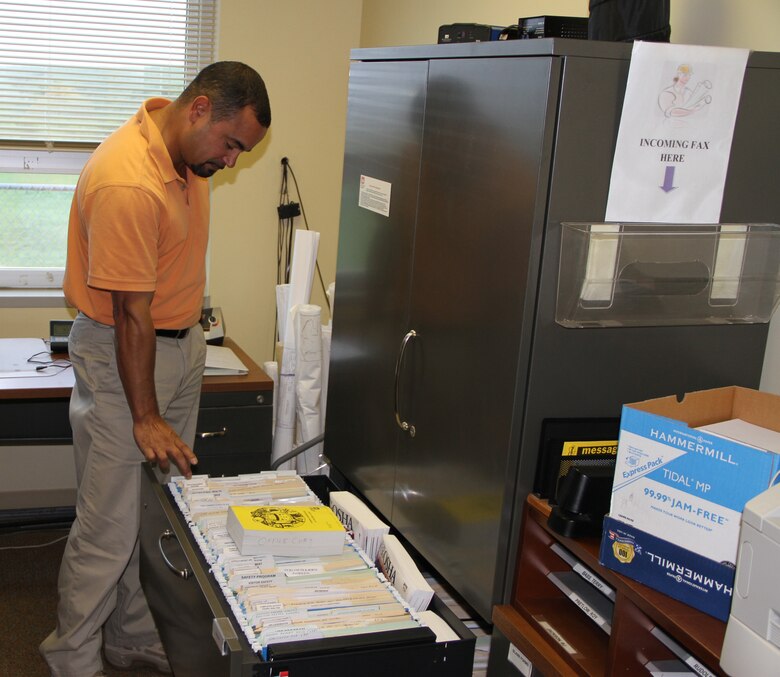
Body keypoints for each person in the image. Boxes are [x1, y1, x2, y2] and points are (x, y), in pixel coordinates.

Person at [39, 61, 271, 677]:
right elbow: (129, 314)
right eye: (231, 145)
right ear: (199, 111)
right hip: (127, 356)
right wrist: (144, 415)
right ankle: (73, 660)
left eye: (242, 152)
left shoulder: (183, 152)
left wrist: (189, 346)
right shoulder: (128, 182)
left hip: (178, 346)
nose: (231, 162)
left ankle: (132, 638)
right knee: (108, 525)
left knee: (157, 511)